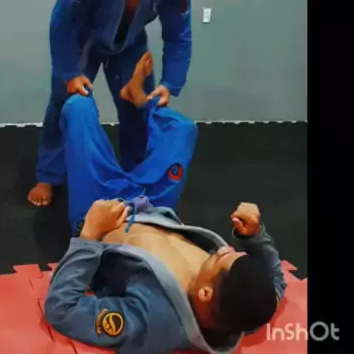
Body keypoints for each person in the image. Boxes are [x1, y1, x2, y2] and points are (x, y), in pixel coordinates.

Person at [43, 54, 286, 354]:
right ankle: (138, 99)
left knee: (78, 108)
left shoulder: (153, 320)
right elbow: (276, 282)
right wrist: (255, 237)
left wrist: (90, 236)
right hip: (153, 203)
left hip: (101, 206)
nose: (224, 248)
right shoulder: (245, 310)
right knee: (183, 130)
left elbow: (62, 310)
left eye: (221, 259)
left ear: (205, 293)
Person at [29, 0, 192, 207]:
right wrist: (69, 71)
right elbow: (63, 21)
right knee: (64, 104)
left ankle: (136, 177)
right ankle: (48, 176)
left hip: (130, 43)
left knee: (138, 108)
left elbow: (178, 33)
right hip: (85, 40)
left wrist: (171, 82)